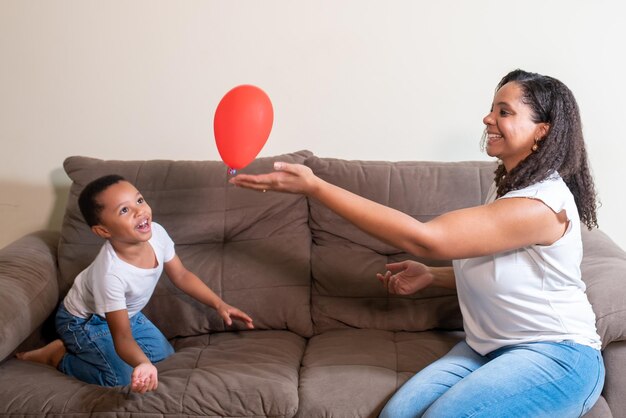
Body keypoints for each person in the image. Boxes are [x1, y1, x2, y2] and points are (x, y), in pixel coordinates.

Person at [229, 69, 604, 417]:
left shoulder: (541, 205)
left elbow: (425, 239)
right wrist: (432, 277)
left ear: (542, 130)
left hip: (558, 356)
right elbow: (510, 271)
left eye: (504, 112)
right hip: (488, 350)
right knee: (397, 414)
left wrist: (316, 187)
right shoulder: (505, 187)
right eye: (491, 109)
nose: (488, 119)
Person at [17, 174, 254, 394]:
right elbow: (122, 337)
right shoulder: (110, 273)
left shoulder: (157, 233)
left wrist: (219, 303)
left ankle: (107, 355)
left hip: (126, 314)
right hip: (83, 321)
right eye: (124, 210)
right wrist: (141, 363)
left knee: (164, 355)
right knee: (122, 376)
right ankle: (56, 355)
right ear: (103, 230)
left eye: (139, 200)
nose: (140, 211)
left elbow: (181, 275)